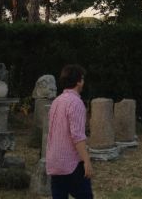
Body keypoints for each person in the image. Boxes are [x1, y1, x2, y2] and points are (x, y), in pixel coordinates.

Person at [46, 64, 93, 199]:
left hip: (55, 163)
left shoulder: (56, 101)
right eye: (82, 79)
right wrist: (86, 161)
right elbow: (77, 136)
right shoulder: (76, 103)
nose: (83, 82)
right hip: (71, 164)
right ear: (78, 81)